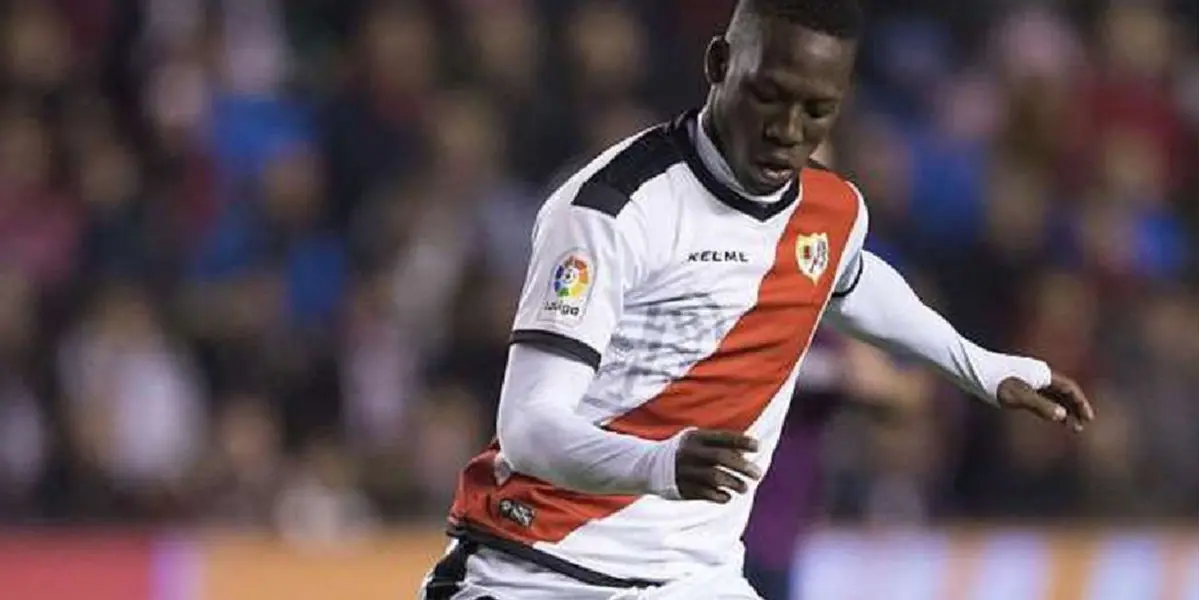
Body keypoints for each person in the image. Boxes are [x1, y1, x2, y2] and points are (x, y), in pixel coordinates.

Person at [419, 1, 1095, 599]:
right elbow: (531, 426)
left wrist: (984, 367)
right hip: (539, 570)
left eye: (817, 110)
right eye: (768, 95)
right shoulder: (613, 210)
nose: (788, 129)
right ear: (720, 63)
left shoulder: (829, 209)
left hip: (695, 578)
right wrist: (658, 462)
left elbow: (848, 277)